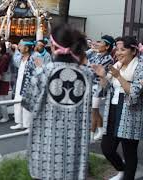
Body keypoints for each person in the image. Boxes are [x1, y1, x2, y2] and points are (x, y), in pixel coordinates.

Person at [21, 24, 92, 180]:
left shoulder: (44, 72)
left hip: (46, 147)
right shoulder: (87, 74)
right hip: (75, 148)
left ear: (53, 46)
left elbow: (27, 103)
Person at [92, 36, 143, 180]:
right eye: (117, 49)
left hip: (130, 112)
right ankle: (122, 170)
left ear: (133, 51)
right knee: (107, 149)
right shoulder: (117, 65)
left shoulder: (140, 66)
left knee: (129, 151)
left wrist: (119, 77)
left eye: (123, 49)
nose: (118, 53)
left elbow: (134, 92)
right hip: (113, 109)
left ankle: (128, 176)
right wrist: (102, 76)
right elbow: (106, 88)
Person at [87, 35, 115, 142]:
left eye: (101, 43)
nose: (98, 44)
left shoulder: (109, 59)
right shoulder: (97, 54)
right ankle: (100, 130)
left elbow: (93, 69)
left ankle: (92, 135)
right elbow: (86, 59)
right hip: (93, 84)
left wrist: (89, 66)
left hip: (99, 86)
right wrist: (91, 49)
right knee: (94, 110)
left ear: (107, 46)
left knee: (94, 110)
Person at [10, 39, 34, 130]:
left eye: (21, 45)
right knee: (17, 103)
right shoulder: (21, 57)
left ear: (27, 48)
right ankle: (19, 122)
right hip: (19, 83)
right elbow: (15, 59)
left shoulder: (35, 57)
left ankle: (28, 125)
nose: (19, 47)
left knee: (26, 106)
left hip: (28, 85)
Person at [0, 40, 11, 123]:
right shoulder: (3, 55)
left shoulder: (4, 57)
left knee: (1, 99)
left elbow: (1, 68)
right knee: (0, 98)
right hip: (2, 78)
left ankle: (5, 116)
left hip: (2, 79)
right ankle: (3, 115)